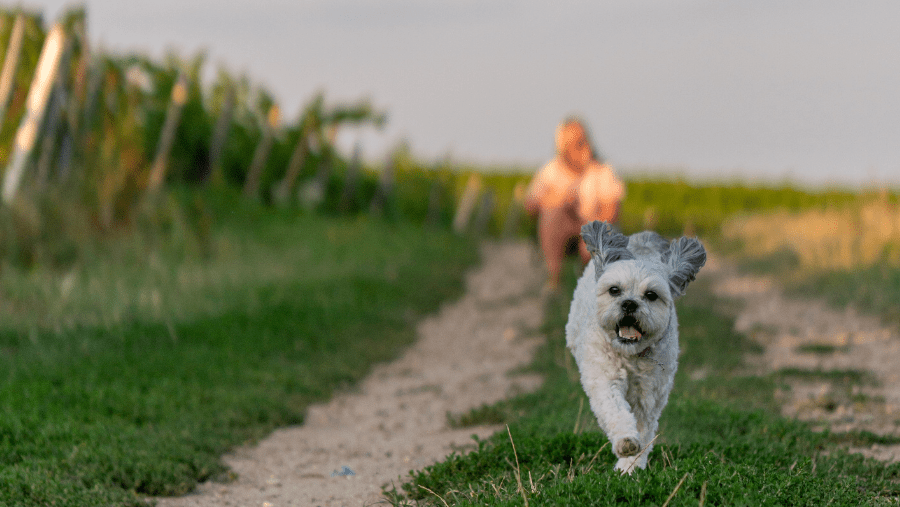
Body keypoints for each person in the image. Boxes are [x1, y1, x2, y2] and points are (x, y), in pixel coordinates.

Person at [524, 117, 625, 292]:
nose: (580, 145)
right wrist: (557, 200)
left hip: (592, 229)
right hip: (562, 230)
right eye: (573, 142)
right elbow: (530, 205)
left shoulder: (603, 170)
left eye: (582, 140)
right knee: (551, 213)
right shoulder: (551, 170)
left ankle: (593, 281)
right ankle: (554, 279)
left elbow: (613, 213)